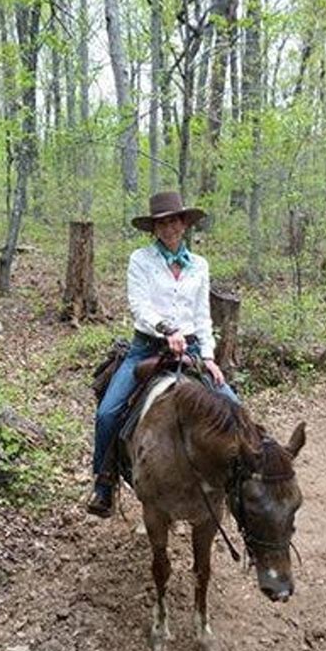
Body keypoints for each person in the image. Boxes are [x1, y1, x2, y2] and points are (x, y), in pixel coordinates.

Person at [87, 190, 239, 518]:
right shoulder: (140, 260)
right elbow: (139, 307)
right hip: (147, 347)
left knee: (235, 408)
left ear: (184, 224)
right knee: (108, 412)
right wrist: (166, 330)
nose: (169, 228)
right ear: (154, 229)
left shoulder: (200, 265)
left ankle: (239, 486)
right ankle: (104, 481)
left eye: (175, 221)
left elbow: (202, 316)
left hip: (193, 349)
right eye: (162, 223)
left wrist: (209, 357)